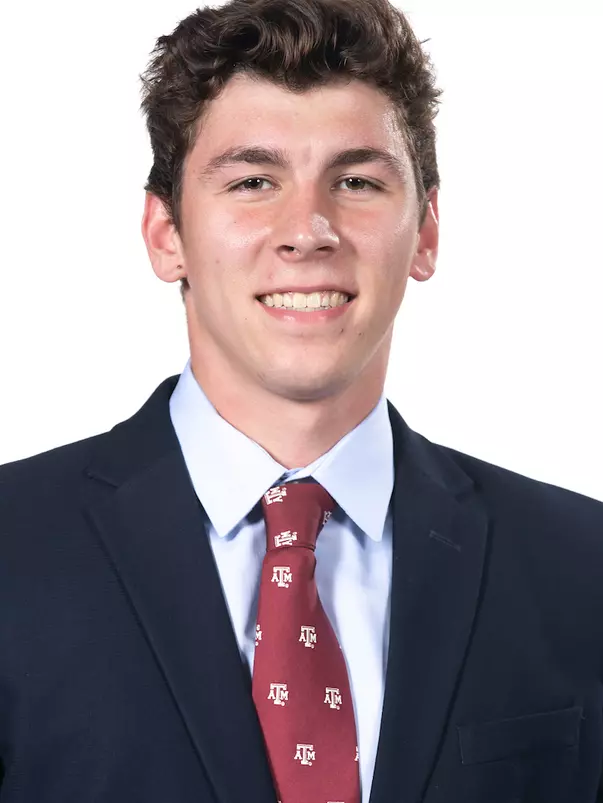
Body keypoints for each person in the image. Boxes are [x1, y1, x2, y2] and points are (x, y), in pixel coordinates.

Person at [1, 0, 602, 800]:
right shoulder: (13, 548)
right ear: (165, 233)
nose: (308, 229)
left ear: (424, 231)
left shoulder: (581, 566)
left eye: (356, 181)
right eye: (253, 181)